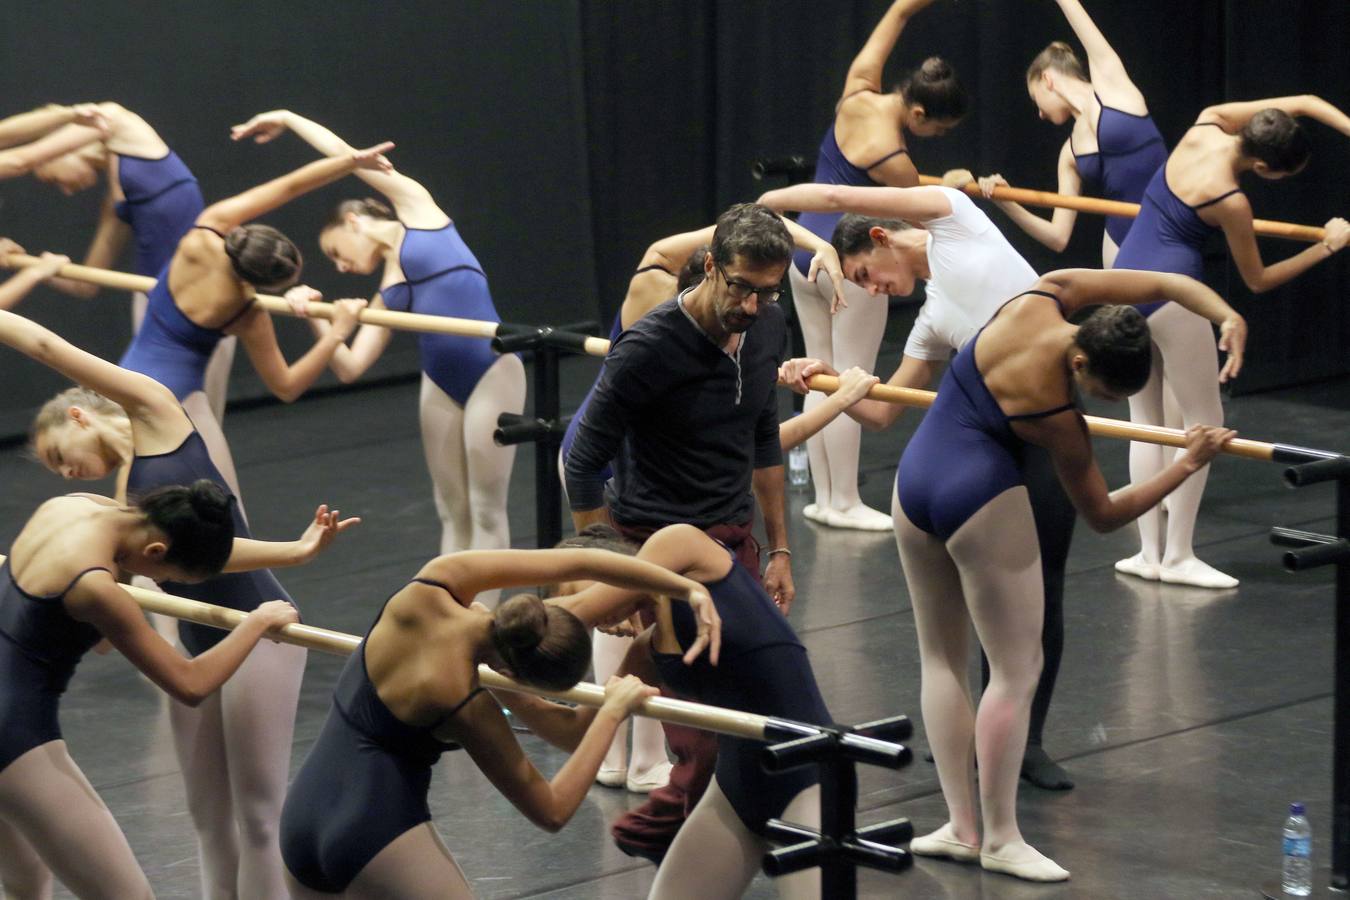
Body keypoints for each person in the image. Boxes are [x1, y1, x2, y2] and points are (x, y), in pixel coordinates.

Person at [0, 258, 358, 899]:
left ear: (80, 418)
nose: (63, 473)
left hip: (258, 628)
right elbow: (165, 572)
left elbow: (46, 344)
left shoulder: (156, 410)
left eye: (60, 455)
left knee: (255, 817)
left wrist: (293, 558)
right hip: (200, 633)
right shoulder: (109, 504)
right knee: (207, 819)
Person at [892, 267, 1243, 881]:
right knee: (1017, 668)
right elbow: (1105, 515)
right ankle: (999, 836)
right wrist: (1186, 463)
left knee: (940, 659)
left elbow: (1165, 280)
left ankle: (960, 827)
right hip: (974, 491)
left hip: (914, 478)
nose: (1100, 406)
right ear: (1080, 364)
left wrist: (1225, 314)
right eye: (1103, 394)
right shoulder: (1055, 414)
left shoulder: (1049, 293)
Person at [763, 180, 1092, 789]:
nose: (871, 289)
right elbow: (884, 412)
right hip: (989, 451)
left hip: (1044, 436)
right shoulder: (934, 317)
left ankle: (1029, 743)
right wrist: (830, 381)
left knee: (1044, 589)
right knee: (975, 598)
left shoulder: (956, 219)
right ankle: (969, 728)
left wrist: (766, 208)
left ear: (881, 238)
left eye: (865, 273)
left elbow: (834, 198)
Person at [556, 216, 849, 795]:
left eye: (767, 291)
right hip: (656, 550)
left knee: (752, 697)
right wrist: (608, 569)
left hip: (731, 542)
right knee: (703, 725)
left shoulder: (768, 325)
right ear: (711, 265)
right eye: (741, 286)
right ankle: (674, 826)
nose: (752, 304)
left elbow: (763, 436)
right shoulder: (648, 346)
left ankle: (693, 824)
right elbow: (583, 462)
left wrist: (781, 549)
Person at [278, 543, 720, 899]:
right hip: (373, 829)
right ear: (514, 677)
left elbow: (582, 560)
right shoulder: (465, 704)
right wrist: (613, 709)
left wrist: (682, 589)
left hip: (301, 813)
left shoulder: (439, 580)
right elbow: (551, 811)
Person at [230, 110, 526, 602]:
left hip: (492, 371)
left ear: (353, 221)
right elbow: (349, 367)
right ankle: (450, 611)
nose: (341, 266)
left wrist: (288, 118)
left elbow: (344, 158)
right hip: (441, 383)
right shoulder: (391, 287)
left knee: (486, 508)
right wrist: (313, 314)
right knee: (451, 508)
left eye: (335, 251)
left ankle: (484, 626)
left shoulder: (420, 214)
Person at [0, 479, 297, 900]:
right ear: (156, 552)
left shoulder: (70, 506)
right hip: (12, 739)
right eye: (166, 577)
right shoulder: (95, 588)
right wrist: (257, 623)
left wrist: (296, 551)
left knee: (25, 883)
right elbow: (190, 684)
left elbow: (98, 641)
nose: (158, 583)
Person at [1111, 96, 1350, 588]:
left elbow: (1304, 102)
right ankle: (1177, 557)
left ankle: (1148, 554)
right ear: (1262, 166)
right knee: (1205, 422)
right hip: (1177, 295)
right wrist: (1326, 247)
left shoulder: (1207, 122)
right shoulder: (1230, 198)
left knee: (1146, 422)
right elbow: (1258, 279)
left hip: (1126, 282)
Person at [542, 522, 835, 899]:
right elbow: (578, 730)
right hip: (737, 787)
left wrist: (477, 629)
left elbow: (575, 612)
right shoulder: (648, 649)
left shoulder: (679, 543)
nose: (596, 621)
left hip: (805, 774)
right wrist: (498, 688)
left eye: (575, 590)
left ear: (607, 569)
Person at [115, 133, 387, 505]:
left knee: (136, 518)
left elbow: (288, 186)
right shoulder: (245, 312)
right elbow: (286, 387)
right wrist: (337, 332)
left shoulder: (207, 229)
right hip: (175, 402)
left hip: (124, 381)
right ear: (257, 283)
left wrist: (350, 161)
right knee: (229, 518)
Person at [790, 0, 968, 531]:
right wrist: (953, 183)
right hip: (849, 263)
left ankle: (825, 497)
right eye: (935, 131)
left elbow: (896, 16)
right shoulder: (892, 154)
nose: (932, 139)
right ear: (918, 115)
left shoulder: (858, 90)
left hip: (804, 251)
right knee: (848, 376)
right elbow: (922, 207)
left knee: (817, 369)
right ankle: (842, 500)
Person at [1, 101, 236, 422]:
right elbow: (85, 285)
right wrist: (33, 267)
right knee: (160, 416)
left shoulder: (115, 119)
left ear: (54, 148)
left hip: (203, 295)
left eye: (53, 180)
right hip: (155, 300)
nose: (66, 191)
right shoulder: (119, 195)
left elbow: (18, 160)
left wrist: (67, 115)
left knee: (193, 415)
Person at [972, 0, 1167, 266]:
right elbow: (1058, 237)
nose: (1039, 113)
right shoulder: (1069, 154)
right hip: (1118, 245)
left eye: (1034, 98)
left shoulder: (1112, 86)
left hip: (1166, 230)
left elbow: (1074, 10)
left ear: (1047, 80)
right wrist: (1006, 201)